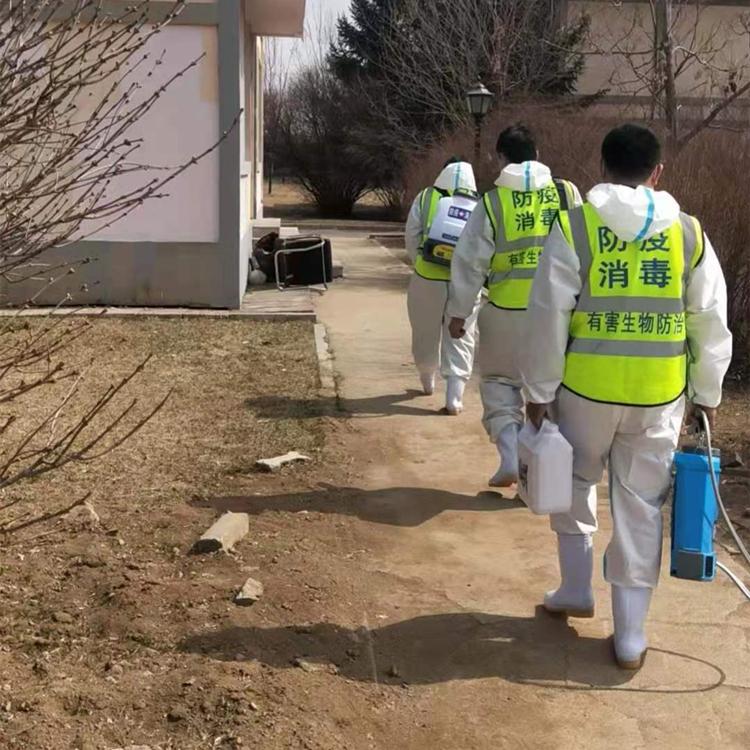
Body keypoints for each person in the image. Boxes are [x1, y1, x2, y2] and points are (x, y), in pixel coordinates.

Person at [522, 123, 732, 670]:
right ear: (657, 172)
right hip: (659, 397)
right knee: (640, 506)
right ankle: (631, 637)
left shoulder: (576, 225)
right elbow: (710, 319)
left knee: (573, 485)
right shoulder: (688, 233)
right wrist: (707, 391)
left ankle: (575, 590)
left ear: (603, 165)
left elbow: (547, 315)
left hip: (585, 392)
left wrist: (537, 391)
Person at [447, 125, 581, 485]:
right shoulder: (566, 193)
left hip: (506, 313)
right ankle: (548, 472)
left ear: (501, 158)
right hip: (560, 316)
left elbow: (469, 262)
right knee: (554, 390)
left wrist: (459, 313)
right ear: (538, 154)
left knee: (499, 384)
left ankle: (509, 452)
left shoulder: (492, 203)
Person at [404, 159, 480, 414]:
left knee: (425, 330)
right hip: (465, 281)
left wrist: (419, 263)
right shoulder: (480, 204)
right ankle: (454, 397)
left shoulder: (426, 197)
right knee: (462, 335)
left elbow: (411, 235)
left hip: (428, 277)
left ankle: (427, 380)